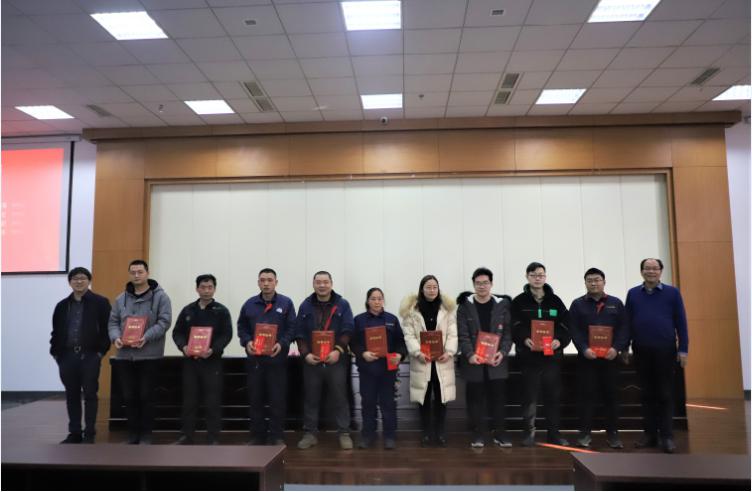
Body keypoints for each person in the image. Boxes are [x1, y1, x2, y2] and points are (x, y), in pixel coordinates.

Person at [626, 258, 688, 454]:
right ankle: (650, 435)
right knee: (646, 394)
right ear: (641, 271)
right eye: (647, 268)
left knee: (665, 394)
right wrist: (624, 347)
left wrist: (683, 349)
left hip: (665, 351)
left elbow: (681, 322)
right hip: (641, 350)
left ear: (661, 271)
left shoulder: (672, 293)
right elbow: (627, 322)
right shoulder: (633, 293)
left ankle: (667, 436)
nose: (651, 271)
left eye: (655, 268)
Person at [108, 259, 172, 445]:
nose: (136, 275)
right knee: (129, 397)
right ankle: (133, 433)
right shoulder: (120, 298)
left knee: (146, 396)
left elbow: (164, 322)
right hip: (125, 356)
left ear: (147, 273)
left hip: (150, 356)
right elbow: (113, 322)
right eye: (133, 272)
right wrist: (116, 337)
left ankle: (146, 433)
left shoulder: (161, 297)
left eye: (140, 272)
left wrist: (146, 337)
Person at [568, 267, 629, 449]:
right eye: (590, 280)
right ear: (585, 283)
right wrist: (584, 349)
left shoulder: (616, 303)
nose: (593, 283)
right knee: (586, 396)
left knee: (611, 396)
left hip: (610, 359)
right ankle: (585, 433)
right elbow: (574, 330)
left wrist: (616, 348)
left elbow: (624, 328)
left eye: (597, 280)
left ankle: (613, 433)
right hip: (587, 359)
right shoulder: (577, 304)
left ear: (604, 282)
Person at [50, 267, 112, 444]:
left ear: (89, 281)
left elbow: (107, 329)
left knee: (90, 394)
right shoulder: (62, 306)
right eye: (75, 279)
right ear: (70, 282)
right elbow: (56, 332)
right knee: (72, 395)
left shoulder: (101, 302)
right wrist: (56, 353)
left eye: (83, 278)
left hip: (90, 355)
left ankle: (90, 432)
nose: (79, 281)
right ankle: (75, 432)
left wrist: (100, 352)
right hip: (66, 356)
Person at [512, 262, 571, 447]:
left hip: (551, 358)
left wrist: (559, 341)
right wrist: (524, 338)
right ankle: (528, 433)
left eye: (541, 275)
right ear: (527, 277)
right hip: (528, 358)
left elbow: (566, 325)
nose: (537, 278)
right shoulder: (519, 301)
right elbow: (513, 325)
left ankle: (554, 434)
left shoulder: (556, 301)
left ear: (545, 277)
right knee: (529, 397)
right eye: (534, 275)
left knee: (552, 396)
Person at [295, 271, 355, 450]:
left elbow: (348, 329)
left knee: (340, 397)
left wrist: (338, 350)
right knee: (311, 398)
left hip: (336, 360)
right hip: (312, 360)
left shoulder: (342, 304)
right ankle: (310, 433)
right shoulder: (305, 305)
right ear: (313, 284)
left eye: (325, 282)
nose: (322, 285)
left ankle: (344, 433)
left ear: (331, 283)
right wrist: (305, 354)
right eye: (318, 282)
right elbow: (299, 332)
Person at [237, 268, 297, 446]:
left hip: (277, 360)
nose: (266, 283)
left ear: (276, 282)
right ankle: (257, 436)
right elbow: (241, 327)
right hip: (255, 361)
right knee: (256, 399)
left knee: (277, 400)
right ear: (258, 283)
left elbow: (292, 327)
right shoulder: (249, 304)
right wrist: (247, 341)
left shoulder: (286, 303)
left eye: (270, 280)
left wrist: (282, 344)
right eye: (262, 280)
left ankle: (276, 436)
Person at [172, 274, 232, 445]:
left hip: (212, 362)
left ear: (214, 289)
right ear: (197, 289)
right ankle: (186, 435)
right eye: (203, 287)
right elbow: (177, 332)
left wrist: (213, 350)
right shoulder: (188, 310)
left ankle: (213, 437)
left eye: (210, 287)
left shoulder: (222, 311)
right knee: (189, 400)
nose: (206, 291)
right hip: (190, 362)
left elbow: (227, 334)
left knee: (212, 401)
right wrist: (183, 347)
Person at [456, 267, 513, 449]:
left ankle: (500, 434)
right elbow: (462, 334)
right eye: (478, 283)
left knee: (498, 400)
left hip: (497, 361)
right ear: (473, 284)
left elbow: (508, 333)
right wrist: (469, 354)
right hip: (474, 361)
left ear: (491, 284)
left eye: (485, 283)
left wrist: (502, 352)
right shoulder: (464, 306)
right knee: (475, 401)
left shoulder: (502, 305)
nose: (482, 286)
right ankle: (477, 434)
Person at [399, 275, 457, 447]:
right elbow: (408, 335)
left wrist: (449, 352)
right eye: (428, 287)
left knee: (441, 399)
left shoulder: (447, 310)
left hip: (442, 361)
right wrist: (417, 352)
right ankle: (426, 433)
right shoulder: (412, 311)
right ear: (422, 289)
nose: (432, 290)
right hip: (422, 361)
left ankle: (440, 433)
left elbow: (453, 333)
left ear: (438, 289)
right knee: (423, 399)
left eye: (434, 287)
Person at [351, 288, 407, 450]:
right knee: (368, 403)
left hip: (388, 370)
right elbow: (353, 343)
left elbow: (401, 342)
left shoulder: (392, 319)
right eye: (373, 299)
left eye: (379, 298)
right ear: (367, 301)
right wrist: (363, 353)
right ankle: (368, 435)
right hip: (367, 369)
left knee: (388, 403)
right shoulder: (358, 320)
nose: (377, 302)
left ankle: (390, 436)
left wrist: (399, 354)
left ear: (383, 301)